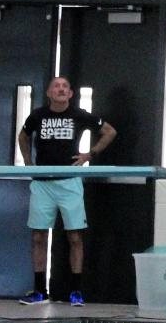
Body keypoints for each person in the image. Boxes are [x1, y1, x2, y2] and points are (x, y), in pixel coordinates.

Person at [17, 76, 117, 306]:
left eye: (65, 87)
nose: (61, 89)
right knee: (39, 236)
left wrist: (89, 155)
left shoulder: (79, 115)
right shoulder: (37, 116)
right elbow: (23, 136)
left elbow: (110, 131)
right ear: (49, 93)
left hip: (70, 182)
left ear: (70, 94)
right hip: (42, 183)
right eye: (56, 86)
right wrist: (27, 161)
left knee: (74, 237)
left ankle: (76, 291)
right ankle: (39, 291)